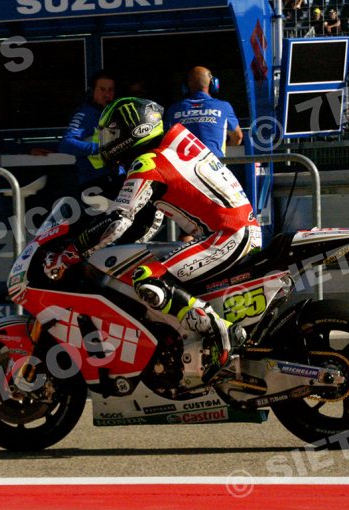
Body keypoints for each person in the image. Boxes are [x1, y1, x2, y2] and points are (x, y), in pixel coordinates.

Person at [44, 97, 262, 383]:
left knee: (147, 278)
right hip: (234, 232)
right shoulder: (173, 144)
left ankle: (223, 333)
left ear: (135, 131)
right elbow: (152, 216)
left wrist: (71, 253)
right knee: (151, 269)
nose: (108, 141)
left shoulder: (149, 161)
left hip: (227, 238)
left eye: (112, 133)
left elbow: (117, 220)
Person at [165, 66, 243, 160]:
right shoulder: (224, 107)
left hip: (184, 167)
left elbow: (166, 141)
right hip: (214, 166)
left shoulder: (174, 109)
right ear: (213, 84)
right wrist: (218, 149)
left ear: (186, 86)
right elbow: (238, 137)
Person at [58, 70, 116, 187]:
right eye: (102, 89)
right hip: (94, 181)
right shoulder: (85, 113)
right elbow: (66, 143)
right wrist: (101, 149)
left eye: (110, 90)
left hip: (115, 177)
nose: (106, 94)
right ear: (92, 91)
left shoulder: (115, 113)